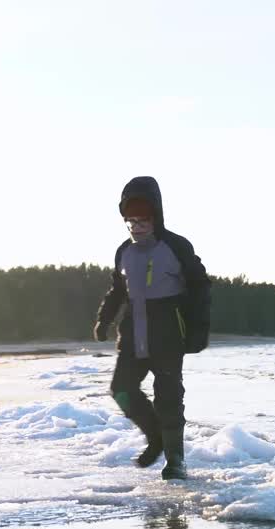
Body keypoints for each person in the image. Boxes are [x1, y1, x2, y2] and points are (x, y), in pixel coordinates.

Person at [93, 176, 211, 480]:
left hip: (168, 331)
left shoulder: (176, 246)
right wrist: (104, 319)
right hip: (133, 332)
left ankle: (175, 461)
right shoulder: (124, 252)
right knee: (121, 390)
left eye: (142, 219)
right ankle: (156, 437)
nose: (136, 225)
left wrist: (199, 330)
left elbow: (200, 288)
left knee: (169, 397)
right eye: (130, 220)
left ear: (156, 215)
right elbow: (117, 290)